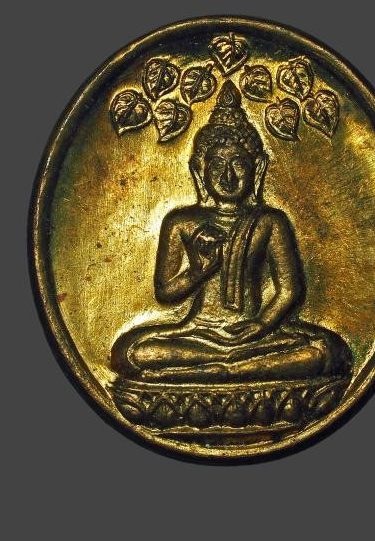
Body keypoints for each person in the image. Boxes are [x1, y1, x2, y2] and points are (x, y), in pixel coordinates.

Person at [111, 80, 352, 383]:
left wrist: (262, 324)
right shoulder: (182, 221)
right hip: (198, 334)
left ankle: (219, 370)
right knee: (130, 352)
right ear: (200, 170)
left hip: (255, 335)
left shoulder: (270, 221)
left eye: (239, 164)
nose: (227, 176)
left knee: (326, 351)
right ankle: (231, 367)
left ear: (257, 169)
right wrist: (198, 270)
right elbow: (165, 293)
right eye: (217, 165)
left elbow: (290, 290)